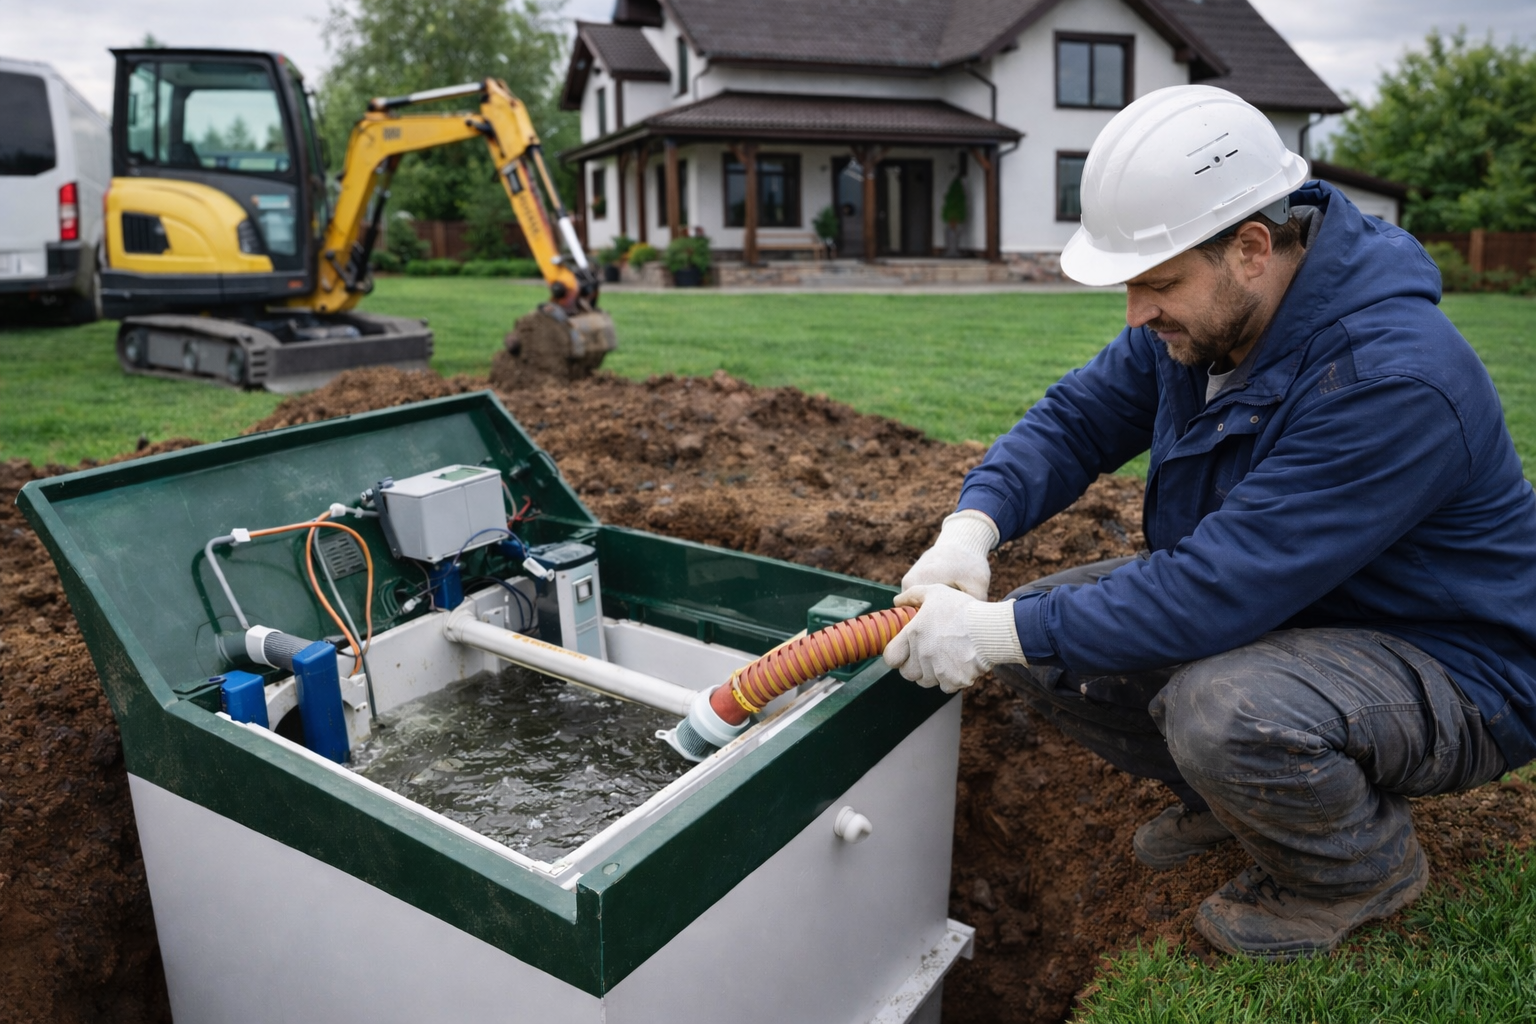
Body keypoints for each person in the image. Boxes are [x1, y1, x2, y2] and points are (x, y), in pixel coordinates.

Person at [883, 84, 1536, 960]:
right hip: (1313, 610)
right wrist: (971, 528)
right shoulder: (1210, 324)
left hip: (1461, 663)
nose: (1136, 314)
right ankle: (1244, 808)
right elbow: (1077, 419)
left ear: (1252, 247)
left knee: (1220, 708)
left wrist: (992, 632)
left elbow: (1213, 590)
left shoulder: (1391, 382)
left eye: (1156, 284)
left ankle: (1358, 869)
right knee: (1052, 650)